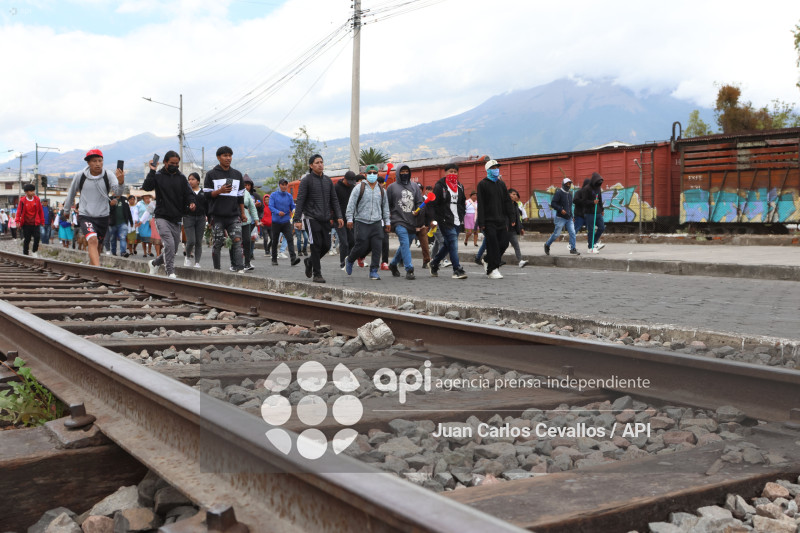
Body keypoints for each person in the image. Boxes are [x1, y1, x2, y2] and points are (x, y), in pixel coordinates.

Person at [63, 149, 125, 266]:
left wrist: (121, 183)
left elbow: (117, 193)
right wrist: (66, 210)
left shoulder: (108, 174)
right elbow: (71, 193)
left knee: (98, 247)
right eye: (94, 161)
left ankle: (92, 273)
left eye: (100, 161)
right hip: (85, 215)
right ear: (88, 163)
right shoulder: (80, 176)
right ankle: (98, 270)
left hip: (103, 216)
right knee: (92, 240)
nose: (97, 164)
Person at [143, 151, 197, 278]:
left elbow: (189, 193)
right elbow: (147, 186)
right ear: (165, 162)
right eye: (172, 163)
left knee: (173, 249)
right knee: (169, 245)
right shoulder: (158, 175)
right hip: (161, 216)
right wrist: (152, 170)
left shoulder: (182, 178)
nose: (175, 165)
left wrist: (192, 202)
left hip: (176, 217)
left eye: (177, 163)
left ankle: (155, 263)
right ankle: (170, 271)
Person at [293, 154, 343, 283]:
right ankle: (317, 274)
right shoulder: (306, 180)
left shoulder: (328, 181)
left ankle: (309, 261)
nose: (320, 164)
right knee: (315, 245)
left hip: (325, 218)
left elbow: (334, 200)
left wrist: (339, 216)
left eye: (321, 162)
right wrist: (297, 219)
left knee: (326, 245)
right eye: (317, 162)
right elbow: (300, 201)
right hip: (311, 218)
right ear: (311, 166)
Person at [203, 146, 247, 273]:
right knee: (217, 243)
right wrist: (219, 191)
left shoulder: (237, 174)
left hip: (233, 215)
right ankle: (217, 270)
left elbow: (240, 196)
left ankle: (239, 267)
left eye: (230, 155)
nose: (228, 158)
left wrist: (243, 213)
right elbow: (206, 195)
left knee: (237, 240)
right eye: (225, 155)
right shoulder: (211, 174)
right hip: (217, 216)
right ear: (218, 157)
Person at [343, 165, 391, 280]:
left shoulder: (382, 190)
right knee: (361, 245)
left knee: (377, 246)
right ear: (365, 175)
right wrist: (349, 218)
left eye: (375, 173)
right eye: (370, 173)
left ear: (378, 175)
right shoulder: (359, 188)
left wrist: (387, 221)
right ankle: (349, 260)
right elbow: (351, 204)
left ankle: (373, 271)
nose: (372, 175)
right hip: (361, 221)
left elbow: (385, 207)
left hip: (377, 222)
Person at [477, 159, 515, 279]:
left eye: (497, 167)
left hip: (501, 220)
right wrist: (481, 222)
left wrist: (511, 217)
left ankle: (487, 259)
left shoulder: (501, 184)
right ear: (488, 170)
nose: (496, 170)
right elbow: (481, 204)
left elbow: (507, 202)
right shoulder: (482, 184)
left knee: (504, 243)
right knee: (492, 245)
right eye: (493, 168)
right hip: (489, 221)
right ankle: (492, 269)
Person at [429, 165, 467, 279]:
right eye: (451, 171)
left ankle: (434, 263)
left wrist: (462, 214)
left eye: (455, 172)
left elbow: (462, 201)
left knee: (447, 245)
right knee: (453, 243)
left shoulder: (460, 186)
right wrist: (433, 219)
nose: (453, 174)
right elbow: (434, 204)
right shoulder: (440, 186)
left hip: (456, 220)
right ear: (445, 173)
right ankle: (457, 269)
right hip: (445, 219)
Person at [387, 164, 423, 280]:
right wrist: (387, 221)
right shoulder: (391, 187)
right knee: (404, 242)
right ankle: (409, 269)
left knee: (405, 244)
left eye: (406, 171)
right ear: (398, 172)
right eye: (402, 172)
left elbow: (419, 202)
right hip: (398, 220)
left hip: (412, 221)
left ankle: (393, 264)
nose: (404, 174)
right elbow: (386, 205)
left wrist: (418, 211)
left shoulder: (415, 187)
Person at [544, 177, 580, 256]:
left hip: (569, 217)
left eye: (569, 184)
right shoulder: (559, 193)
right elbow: (553, 203)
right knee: (556, 234)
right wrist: (561, 209)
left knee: (573, 233)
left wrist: (572, 216)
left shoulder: (569, 194)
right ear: (563, 184)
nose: (568, 185)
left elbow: (570, 206)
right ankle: (547, 245)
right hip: (560, 218)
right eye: (567, 184)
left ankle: (573, 249)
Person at [269, 178, 300, 267]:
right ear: (279, 185)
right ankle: (274, 259)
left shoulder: (289, 196)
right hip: (276, 222)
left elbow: (292, 206)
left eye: (286, 185)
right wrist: (278, 212)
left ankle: (293, 259)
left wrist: (294, 210)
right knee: (275, 241)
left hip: (286, 221)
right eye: (282, 184)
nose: (284, 186)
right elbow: (271, 206)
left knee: (290, 239)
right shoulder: (273, 195)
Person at [575, 172, 606, 253]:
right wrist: (593, 202)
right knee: (591, 230)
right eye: (597, 183)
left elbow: (600, 200)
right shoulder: (587, 189)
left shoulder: (598, 188)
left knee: (602, 227)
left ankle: (594, 242)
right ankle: (590, 248)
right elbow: (584, 202)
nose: (598, 184)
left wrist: (602, 209)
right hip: (589, 213)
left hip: (598, 211)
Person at [235, 175, 259, 271]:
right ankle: (235, 263)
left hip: (246, 221)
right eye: (243, 184)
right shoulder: (233, 192)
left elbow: (252, 207)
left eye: (247, 185)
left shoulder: (247, 193)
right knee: (235, 242)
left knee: (247, 241)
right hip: (235, 220)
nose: (245, 186)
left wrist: (256, 220)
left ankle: (247, 263)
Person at [183, 173, 207, 268]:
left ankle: (197, 262)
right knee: (191, 240)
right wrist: (189, 208)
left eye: (192, 179)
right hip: (188, 217)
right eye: (189, 179)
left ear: (198, 181)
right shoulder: (186, 193)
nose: (190, 181)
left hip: (201, 218)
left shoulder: (203, 192)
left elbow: (207, 206)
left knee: (198, 241)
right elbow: (182, 207)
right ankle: (187, 257)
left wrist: (208, 216)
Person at [334, 171, 357, 269]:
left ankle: (349, 260)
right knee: (344, 241)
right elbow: (334, 203)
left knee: (352, 241)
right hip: (339, 219)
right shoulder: (336, 188)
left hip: (350, 219)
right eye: (348, 181)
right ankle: (342, 262)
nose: (350, 184)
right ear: (344, 178)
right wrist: (334, 217)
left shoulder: (352, 187)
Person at [16, 183, 44, 256]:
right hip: (26, 223)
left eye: (33, 191)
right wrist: (17, 221)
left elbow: (40, 211)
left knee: (37, 237)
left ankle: (34, 251)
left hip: (35, 223)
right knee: (27, 239)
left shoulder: (37, 200)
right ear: (26, 192)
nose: (33, 192)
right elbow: (19, 212)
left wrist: (42, 221)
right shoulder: (22, 201)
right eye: (31, 191)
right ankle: (25, 253)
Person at [504, 188, 529, 267]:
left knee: (516, 245)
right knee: (503, 245)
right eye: (513, 194)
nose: (515, 196)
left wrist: (521, 228)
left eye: (516, 195)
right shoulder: (504, 205)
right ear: (509, 195)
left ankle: (520, 261)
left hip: (512, 230)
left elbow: (517, 218)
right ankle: (493, 259)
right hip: (505, 229)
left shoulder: (515, 205)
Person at [107, 191, 133, 257]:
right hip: (112, 223)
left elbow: (128, 210)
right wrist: (111, 205)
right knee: (113, 239)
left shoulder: (124, 199)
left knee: (123, 237)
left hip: (123, 223)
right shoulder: (109, 199)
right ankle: (113, 252)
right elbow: (107, 210)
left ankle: (123, 252)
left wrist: (131, 221)